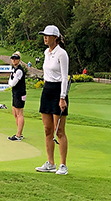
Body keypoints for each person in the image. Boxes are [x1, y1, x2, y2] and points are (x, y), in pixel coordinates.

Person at [35, 25, 69, 175]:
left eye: (48, 35)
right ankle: (50, 163)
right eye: (44, 35)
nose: (45, 37)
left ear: (55, 37)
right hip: (47, 90)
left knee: (59, 131)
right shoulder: (46, 52)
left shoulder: (62, 54)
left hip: (58, 92)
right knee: (48, 130)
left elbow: (64, 77)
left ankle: (63, 165)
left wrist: (62, 97)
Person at [7, 51, 26, 141]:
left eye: (16, 59)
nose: (14, 60)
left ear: (19, 60)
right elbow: (9, 81)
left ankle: (18, 135)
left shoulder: (19, 70)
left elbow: (13, 83)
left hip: (20, 93)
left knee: (19, 113)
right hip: (15, 93)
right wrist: (10, 83)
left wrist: (10, 84)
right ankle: (19, 133)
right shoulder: (14, 69)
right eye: (13, 59)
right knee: (15, 113)